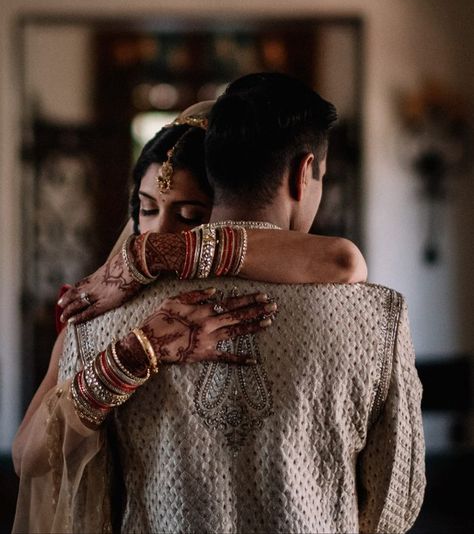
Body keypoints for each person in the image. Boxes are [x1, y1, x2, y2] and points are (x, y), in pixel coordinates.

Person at [12, 96, 367, 533]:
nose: (158, 230)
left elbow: (343, 262)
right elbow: (28, 456)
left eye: (189, 215)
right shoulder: (97, 311)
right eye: (146, 209)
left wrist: (148, 255)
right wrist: (133, 355)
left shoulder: (278, 279)